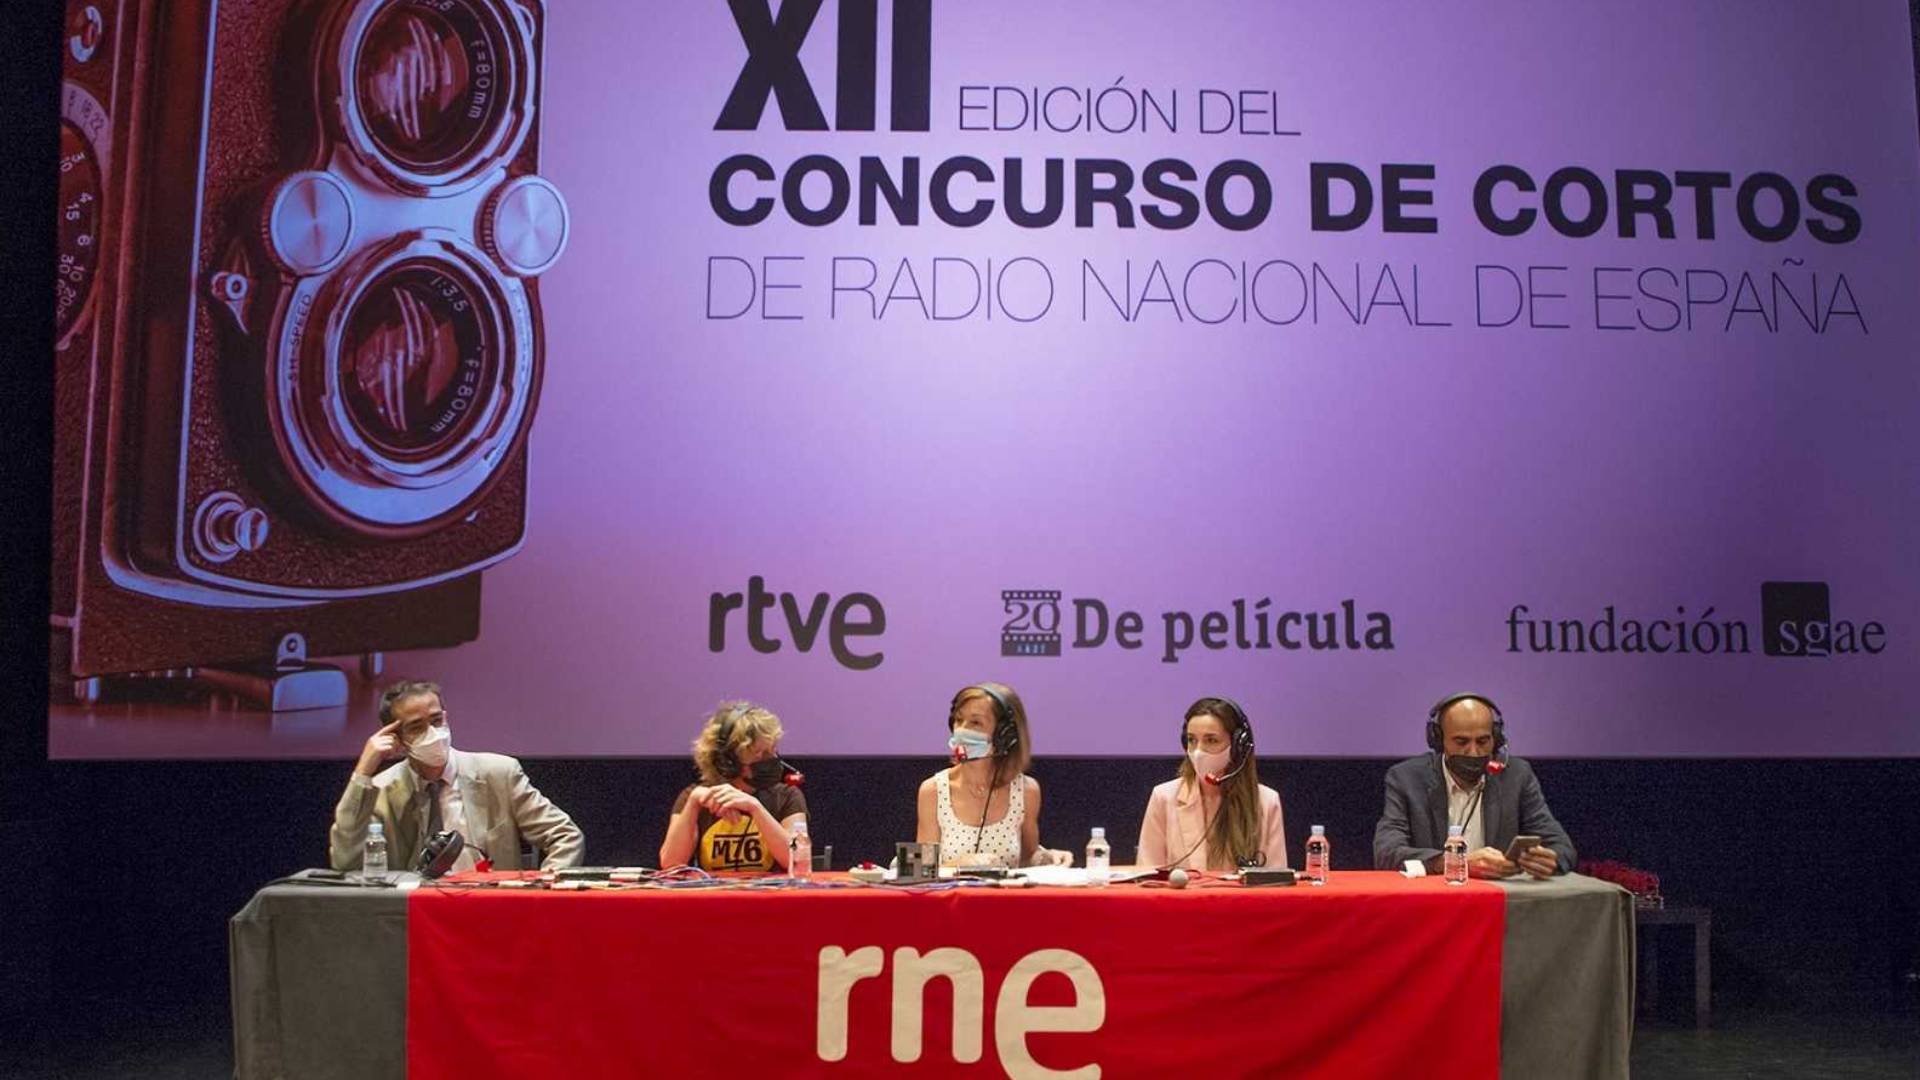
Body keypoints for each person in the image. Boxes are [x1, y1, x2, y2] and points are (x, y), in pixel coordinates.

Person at [329, 679, 584, 872]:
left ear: (446, 718)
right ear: (396, 737)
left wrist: (543, 889)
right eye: (417, 727)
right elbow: (344, 860)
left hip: (491, 909)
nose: (432, 733)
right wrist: (363, 770)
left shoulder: (499, 773)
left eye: (436, 721)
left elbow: (566, 835)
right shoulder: (381, 789)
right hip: (414, 913)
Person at [1372, 692, 1575, 878]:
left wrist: (1549, 860)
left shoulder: (1516, 776)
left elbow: (1563, 847)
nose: (1473, 752)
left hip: (1501, 897)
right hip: (1434, 897)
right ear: (1439, 740)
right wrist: (1451, 862)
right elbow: (1386, 852)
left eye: (1483, 741)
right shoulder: (1406, 778)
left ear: (1496, 739)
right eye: (1461, 742)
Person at [915, 683, 1070, 867]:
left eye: (975, 723)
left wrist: (1048, 858)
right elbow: (922, 870)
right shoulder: (932, 791)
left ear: (1004, 735)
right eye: (958, 720)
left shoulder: (1027, 790)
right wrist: (958, 865)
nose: (961, 730)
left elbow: (1028, 858)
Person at [1136, 696, 1288, 871]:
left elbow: (1276, 880)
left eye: (1211, 740)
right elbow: (1147, 876)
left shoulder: (1267, 801)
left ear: (1238, 746)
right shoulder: (1164, 797)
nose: (1198, 751)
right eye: (1192, 740)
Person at [659, 701, 808, 872]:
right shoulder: (697, 798)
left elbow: (799, 861)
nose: (772, 759)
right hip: (714, 889)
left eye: (773, 750)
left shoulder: (787, 796)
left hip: (772, 889)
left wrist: (755, 808)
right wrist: (693, 804)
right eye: (761, 754)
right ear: (728, 762)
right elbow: (671, 863)